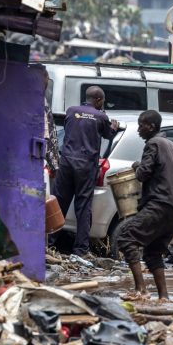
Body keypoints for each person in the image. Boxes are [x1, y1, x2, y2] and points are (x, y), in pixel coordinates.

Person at [119, 110, 173, 301]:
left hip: (160, 203)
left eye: (141, 125)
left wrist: (136, 166)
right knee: (153, 252)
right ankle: (164, 297)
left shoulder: (153, 144)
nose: (139, 129)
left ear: (152, 126)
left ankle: (141, 290)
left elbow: (143, 174)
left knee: (126, 237)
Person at [53, 86, 119, 256]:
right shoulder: (101, 116)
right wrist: (113, 126)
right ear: (98, 100)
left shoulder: (71, 111)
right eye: (102, 100)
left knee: (59, 203)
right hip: (85, 166)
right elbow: (108, 134)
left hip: (66, 162)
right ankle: (81, 249)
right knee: (82, 207)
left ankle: (49, 243)